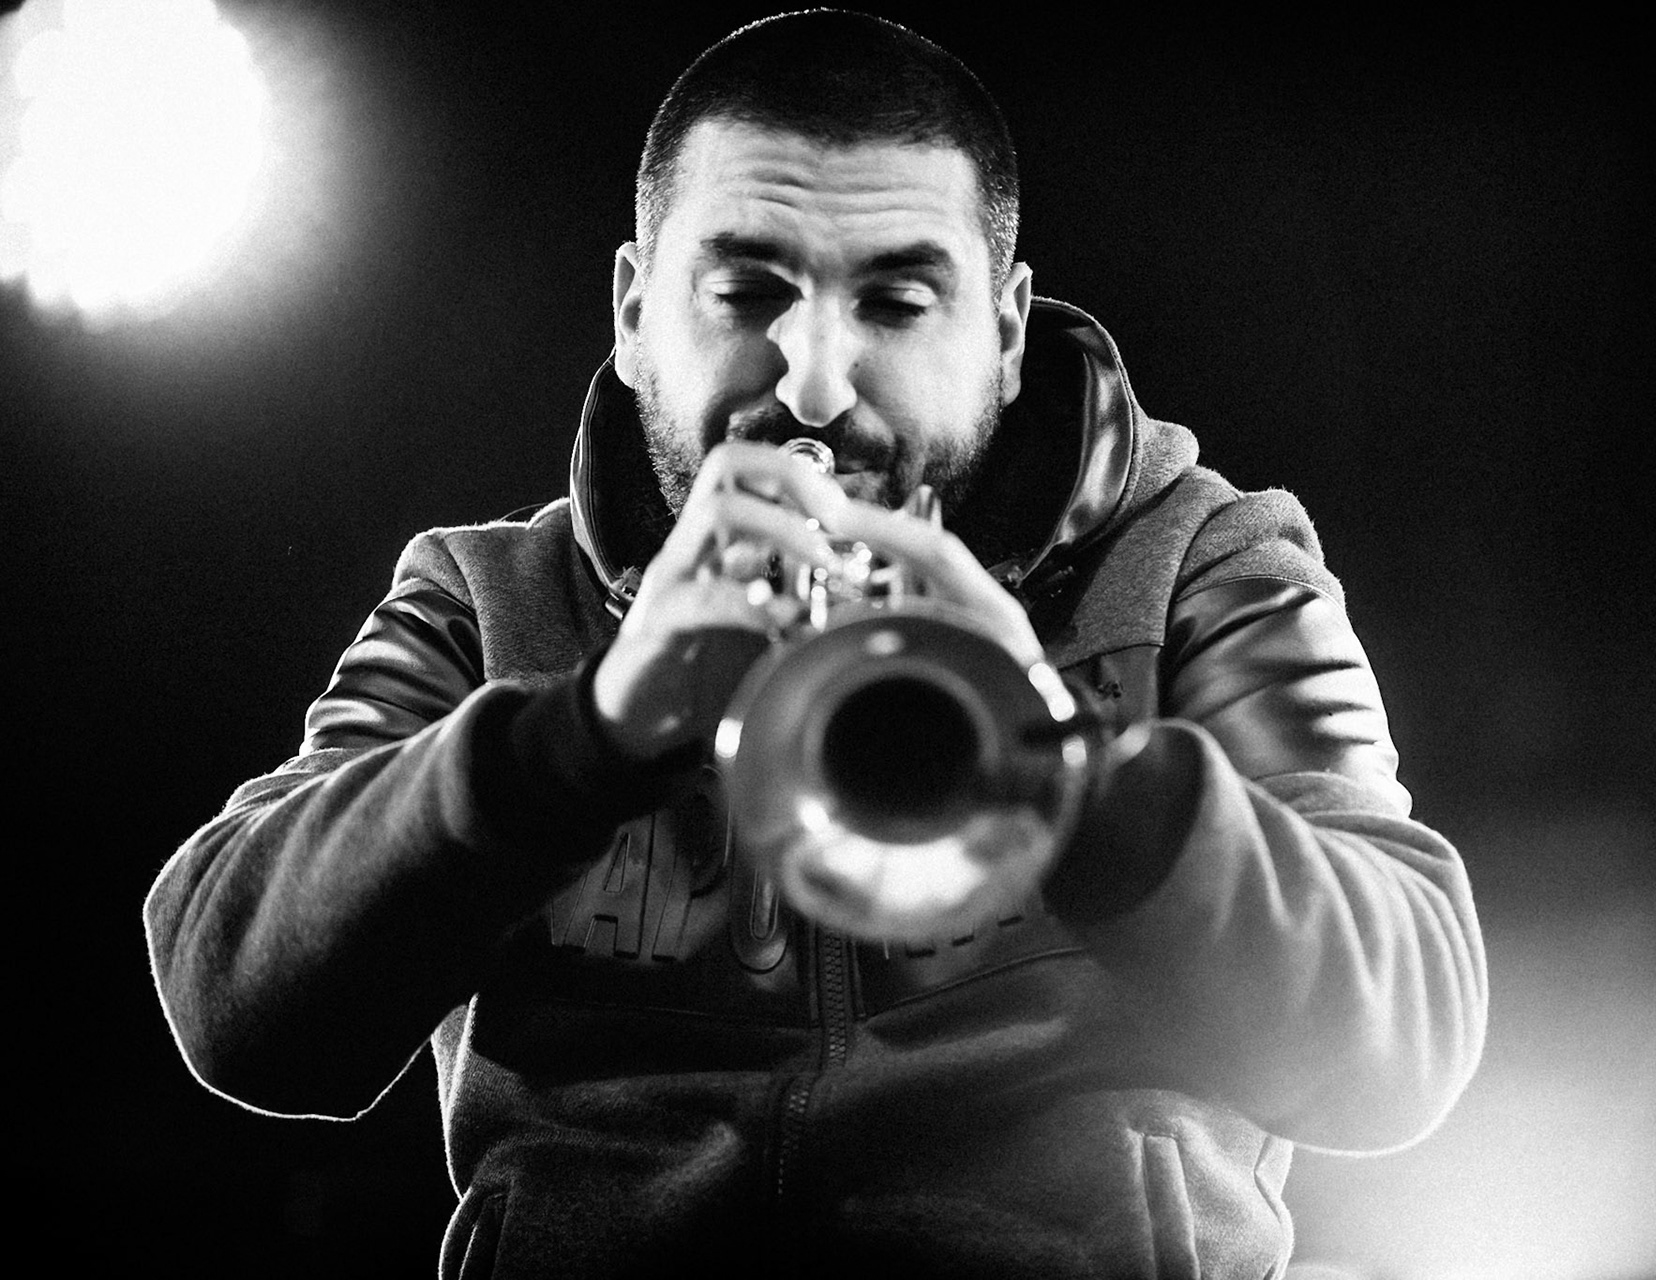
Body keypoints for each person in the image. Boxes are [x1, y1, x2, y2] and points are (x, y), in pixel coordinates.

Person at [145, 12, 1487, 1278]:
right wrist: (581, 738)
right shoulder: (484, 596)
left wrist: (1075, 769)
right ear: (631, 312)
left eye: (899, 304)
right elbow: (239, 1012)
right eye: (744, 293)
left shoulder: (1205, 557)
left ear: (1006, 334)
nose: (814, 386)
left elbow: (1405, 1048)